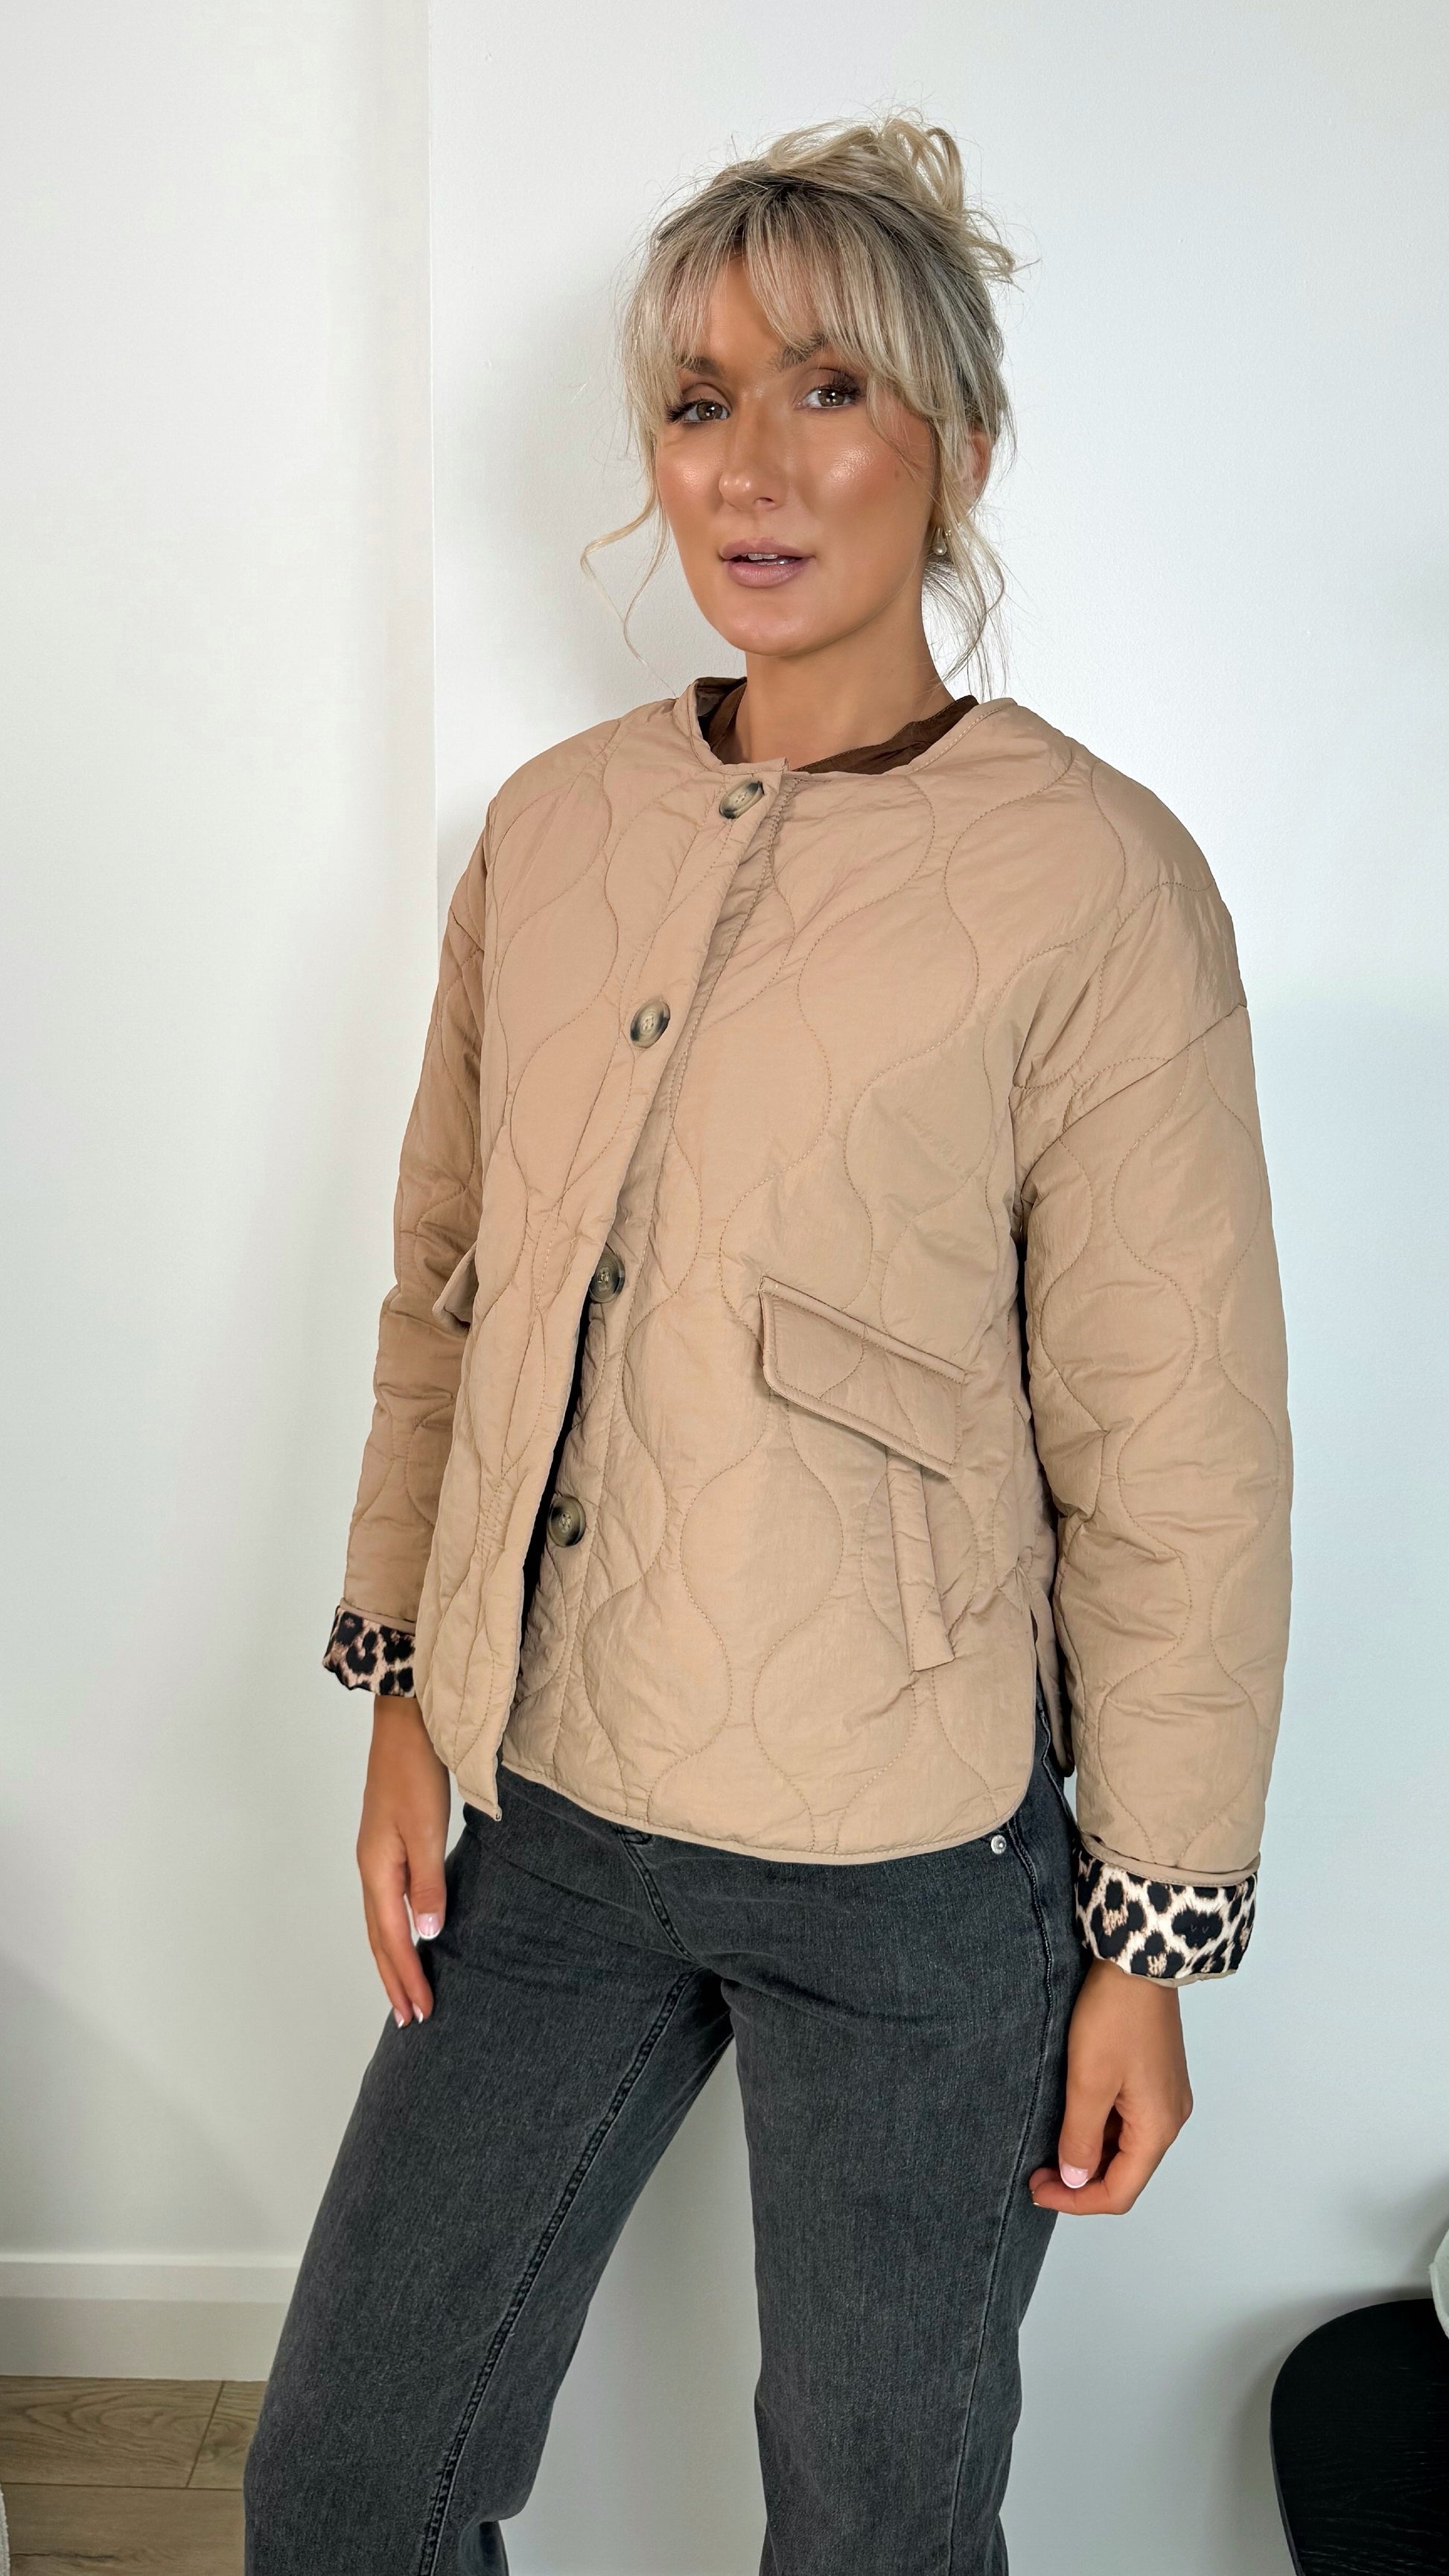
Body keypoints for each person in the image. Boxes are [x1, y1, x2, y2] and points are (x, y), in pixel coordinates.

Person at [243, 112, 1291, 2575]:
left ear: (962, 443)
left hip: (916, 1873)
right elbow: (448, 1283)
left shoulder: (1095, 879)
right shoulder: (551, 828)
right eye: (698, 401)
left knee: (874, 2524)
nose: (751, 463)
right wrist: (403, 1687)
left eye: (830, 389)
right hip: (552, 1818)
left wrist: (1144, 1939)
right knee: (348, 2484)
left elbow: (1173, 1444)